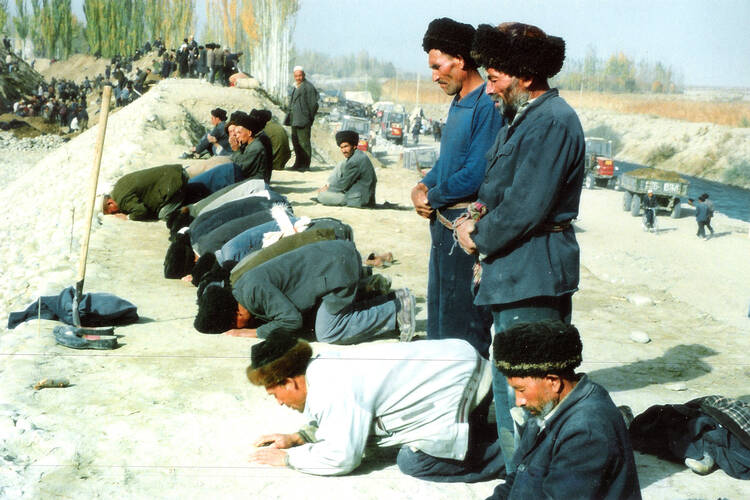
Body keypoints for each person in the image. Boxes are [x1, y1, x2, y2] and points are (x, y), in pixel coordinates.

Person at [455, 22, 585, 472]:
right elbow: (499, 191)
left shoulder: (551, 122)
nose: (488, 88)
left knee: (529, 392)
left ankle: (527, 481)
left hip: (533, 274)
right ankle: (519, 476)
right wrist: (474, 216)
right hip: (516, 271)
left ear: (525, 77)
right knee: (515, 385)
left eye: (494, 78)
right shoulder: (525, 118)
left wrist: (478, 235)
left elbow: (527, 206)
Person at [247, 333, 504, 482]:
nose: (279, 402)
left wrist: (290, 458)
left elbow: (342, 458)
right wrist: (298, 437)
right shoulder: (323, 367)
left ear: (290, 382)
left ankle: (506, 457)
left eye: (275, 394)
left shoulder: (330, 386)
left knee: (415, 461)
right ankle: (489, 434)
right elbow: (345, 421)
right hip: (463, 366)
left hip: (461, 384)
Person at [411, 18, 503, 357]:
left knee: (463, 329)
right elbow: (447, 164)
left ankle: (471, 411)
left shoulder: (487, 105)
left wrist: (432, 197)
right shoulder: (458, 102)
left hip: (464, 232)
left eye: (438, 66)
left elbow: (476, 173)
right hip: (442, 229)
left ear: (461, 61)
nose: (434, 76)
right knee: (439, 321)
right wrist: (421, 187)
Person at [488, 320, 641, 499]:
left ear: (553, 382)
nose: (519, 401)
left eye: (521, 390)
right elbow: (518, 478)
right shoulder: (547, 405)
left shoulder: (587, 431)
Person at [194, 240, 416, 344]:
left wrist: (252, 333)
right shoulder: (243, 290)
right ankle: (379, 295)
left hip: (338, 267)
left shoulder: (253, 291)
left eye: (234, 326)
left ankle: (396, 309)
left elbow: (291, 321)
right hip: (333, 261)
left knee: (327, 331)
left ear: (237, 316)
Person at [186, 111, 270, 199]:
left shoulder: (256, 147)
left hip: (251, 181)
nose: (236, 136)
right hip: (243, 176)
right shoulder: (252, 144)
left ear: (249, 133)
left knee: (214, 176)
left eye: (239, 133)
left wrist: (236, 150)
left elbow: (240, 167)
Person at [102, 164, 187, 221]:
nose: (116, 213)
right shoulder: (118, 186)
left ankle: (191, 208)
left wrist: (128, 217)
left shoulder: (122, 200)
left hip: (174, 182)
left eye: (113, 212)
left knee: (164, 215)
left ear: (110, 203)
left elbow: (141, 211)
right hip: (174, 173)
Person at [317, 130, 376, 208]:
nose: (343, 151)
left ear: (354, 146)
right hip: (363, 196)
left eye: (346, 147)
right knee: (341, 164)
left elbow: (342, 185)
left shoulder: (354, 161)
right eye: (341, 148)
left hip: (358, 199)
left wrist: (327, 189)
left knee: (321, 196)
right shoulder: (358, 155)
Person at [287, 66, 318, 171]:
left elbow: (314, 105)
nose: (298, 78)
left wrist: (309, 118)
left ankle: (305, 165)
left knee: (304, 143)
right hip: (295, 120)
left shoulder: (308, 87)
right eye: (296, 76)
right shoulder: (296, 86)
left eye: (300, 75)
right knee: (296, 143)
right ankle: (298, 164)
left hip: (303, 120)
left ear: (304, 75)